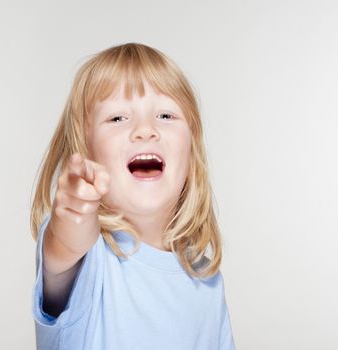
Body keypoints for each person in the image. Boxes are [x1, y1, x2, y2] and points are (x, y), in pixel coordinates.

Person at [30, 42, 235, 350]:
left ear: (191, 155)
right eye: (117, 118)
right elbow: (67, 242)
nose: (145, 130)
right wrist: (74, 213)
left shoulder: (207, 281)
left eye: (166, 115)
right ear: (86, 152)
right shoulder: (88, 258)